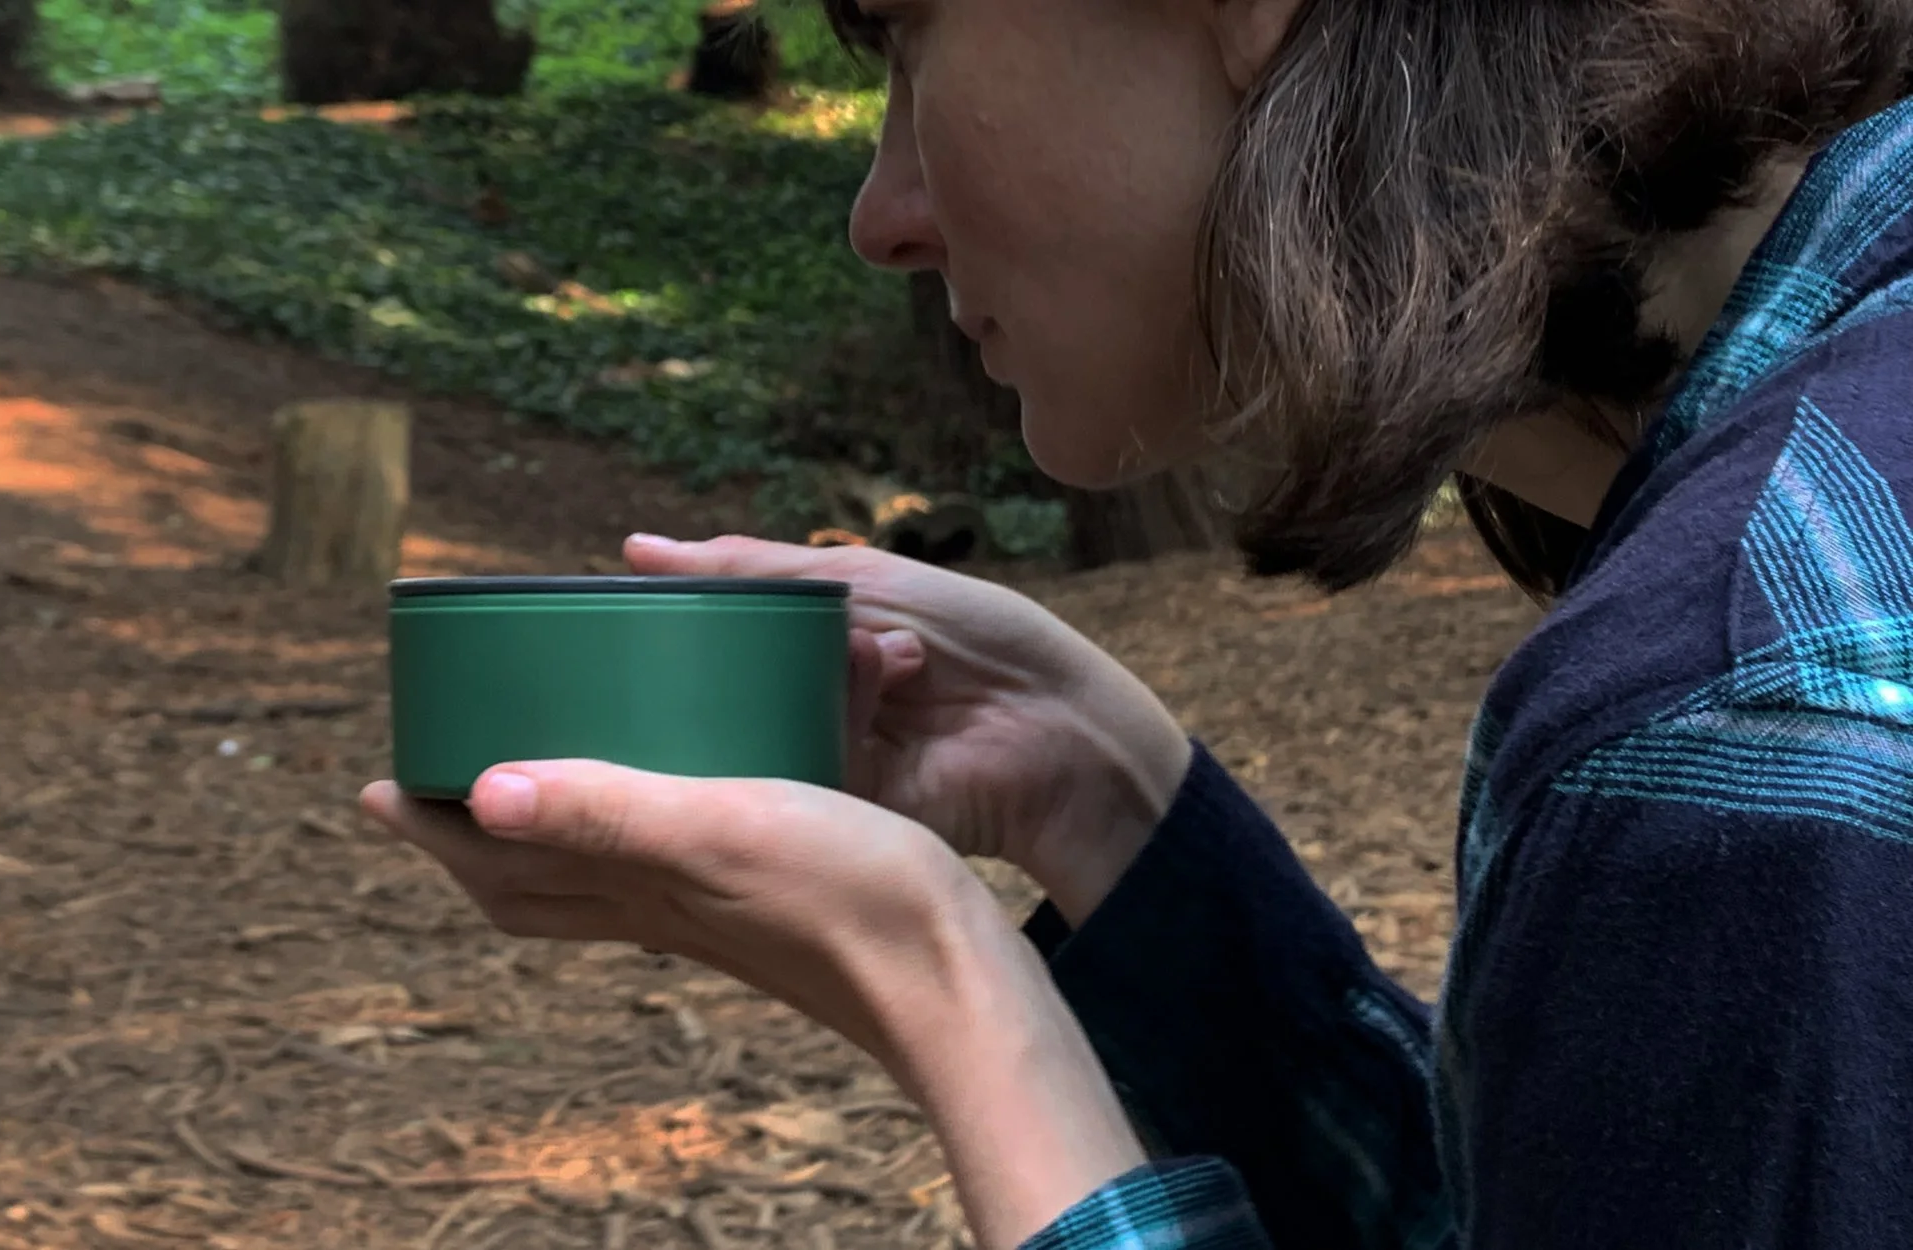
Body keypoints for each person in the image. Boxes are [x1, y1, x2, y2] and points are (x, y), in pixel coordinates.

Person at [360, 0, 1913, 1245]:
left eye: (900, 34)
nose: (881, 215)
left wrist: (947, 989)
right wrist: (1108, 808)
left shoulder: (1744, 703)